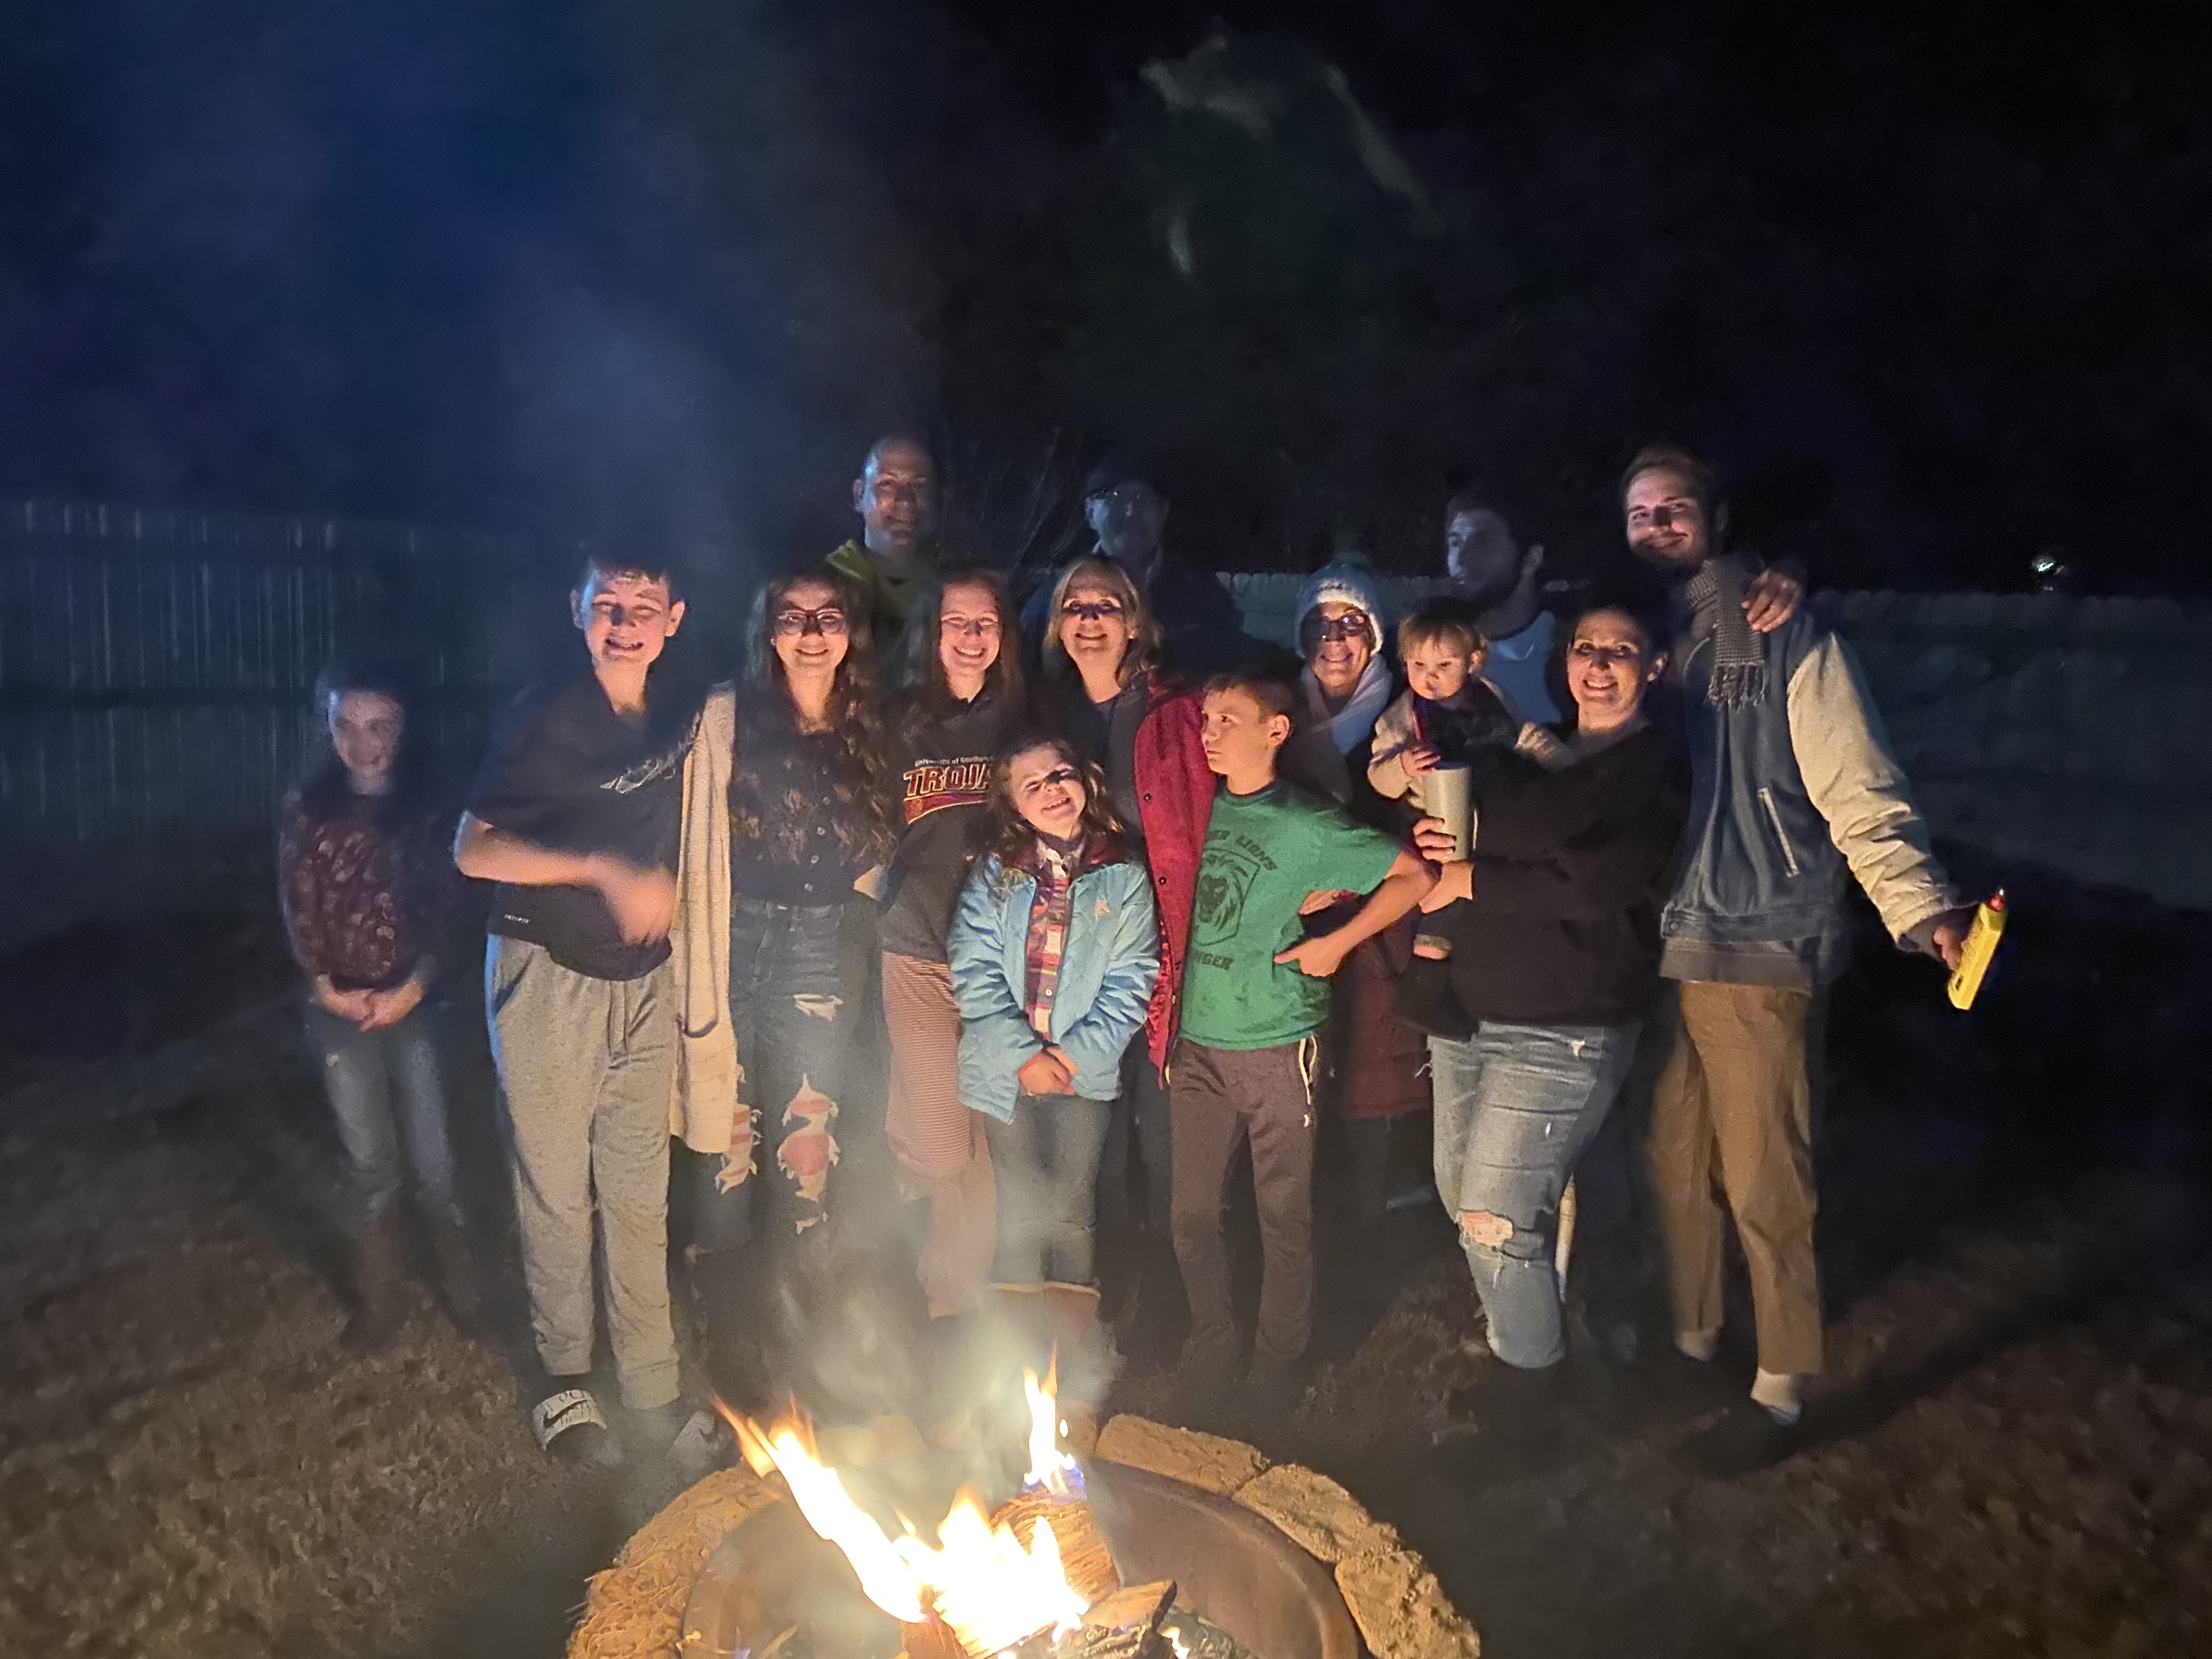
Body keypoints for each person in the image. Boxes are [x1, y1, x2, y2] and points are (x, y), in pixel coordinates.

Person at [1619, 443, 1975, 1449]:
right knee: (1671, 1152)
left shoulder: (1786, 636)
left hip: (1758, 930)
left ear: (1716, 520)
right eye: (1639, 514)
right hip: (1664, 938)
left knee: (1766, 1172)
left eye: (1673, 510)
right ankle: (1689, 1341)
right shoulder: (1637, 643)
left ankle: (1782, 1383)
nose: (1655, 529)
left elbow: (1856, 783)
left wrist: (1920, 905)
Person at [1408, 599, 1690, 1480]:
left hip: (1566, 1027)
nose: (1598, 664)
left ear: (1657, 666)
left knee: (1497, 1222)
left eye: (1621, 649)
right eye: (1585, 649)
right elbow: (1486, 835)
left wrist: (1472, 871)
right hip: (1473, 1013)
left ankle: (1536, 1410)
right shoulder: (1528, 753)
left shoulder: (1656, 767)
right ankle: (1520, 1358)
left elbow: (1592, 886)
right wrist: (1446, 844)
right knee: (1467, 1204)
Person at [456, 552, 700, 1466]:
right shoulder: (546, 716)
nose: (624, 622)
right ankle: (565, 1376)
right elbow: (474, 848)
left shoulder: (677, 708)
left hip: (643, 974)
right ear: (577, 610)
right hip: (548, 964)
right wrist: (599, 867)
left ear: (674, 616)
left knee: (638, 1188)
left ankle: (653, 1381)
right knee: (558, 1184)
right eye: (607, 604)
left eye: (643, 605)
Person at [1171, 670, 1436, 1408]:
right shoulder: (1201, 810)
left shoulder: (1304, 823)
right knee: (1191, 1216)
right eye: (1207, 718)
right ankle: (1212, 1345)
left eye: (1230, 717)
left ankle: (1275, 1367)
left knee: (1282, 1214)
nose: (1211, 733)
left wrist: (1337, 944)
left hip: (1276, 1041)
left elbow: (1412, 876)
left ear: (1276, 730)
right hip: (1199, 1043)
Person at [686, 568, 899, 1397]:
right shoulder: (725, 718)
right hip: (733, 942)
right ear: (767, 632)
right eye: (793, 618)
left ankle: (806, 1342)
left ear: (851, 632)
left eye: (829, 617)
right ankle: (737, 1353)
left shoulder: (873, 727)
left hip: (819, 948)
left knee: (808, 1151)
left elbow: (891, 841)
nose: (813, 632)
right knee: (724, 1152)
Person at [279, 661, 476, 1348]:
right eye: (347, 725)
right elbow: (299, 903)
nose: (363, 743)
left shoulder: (428, 809)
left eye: (379, 726)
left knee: (435, 1163)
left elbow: (447, 907)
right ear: (327, 729)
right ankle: (379, 1303)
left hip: (414, 1001)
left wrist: (412, 988)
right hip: (338, 1009)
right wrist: (326, 986)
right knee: (369, 1164)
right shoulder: (310, 810)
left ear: (403, 728)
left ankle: (467, 1295)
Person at [1039, 556, 1215, 1312]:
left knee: (1167, 1138)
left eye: (1104, 606)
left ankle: (1179, 1299)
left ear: (1135, 621)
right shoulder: (1049, 718)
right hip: (1081, 955)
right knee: (1096, 1144)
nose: (1088, 620)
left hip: (1169, 949)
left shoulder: (1177, 713)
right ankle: (1106, 1297)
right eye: (1073, 606)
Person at [948, 737, 1159, 1297]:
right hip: (1006, 1073)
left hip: (1079, 1078)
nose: (1051, 791)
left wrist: (1069, 1058)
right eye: (1032, 785)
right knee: (1017, 1207)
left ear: (1086, 781)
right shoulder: (997, 874)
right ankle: (1017, 1353)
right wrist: (1023, 1057)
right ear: (1013, 804)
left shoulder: (1123, 875)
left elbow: (1131, 981)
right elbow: (973, 970)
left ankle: (1069, 1352)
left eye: (1060, 774)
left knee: (1070, 1208)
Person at [879, 571, 1025, 1322]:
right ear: (931, 634)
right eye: (955, 623)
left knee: (974, 1136)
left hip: (998, 959)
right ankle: (893, 1159)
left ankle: (951, 1301)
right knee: (942, 1145)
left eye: (985, 623)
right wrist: (886, 892)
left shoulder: (1020, 720)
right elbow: (865, 825)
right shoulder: (898, 721)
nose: (970, 638)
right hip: (916, 949)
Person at [1278, 560, 1430, 1226]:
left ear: (1373, 635)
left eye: (1350, 624)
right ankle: (1307, 1205)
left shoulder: (1401, 716)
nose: (1334, 639)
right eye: (1319, 623)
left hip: (1383, 919)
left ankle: (1372, 1215)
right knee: (1306, 1062)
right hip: (1298, 918)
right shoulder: (1280, 712)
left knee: (1376, 1059)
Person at [1439, 487, 1805, 724]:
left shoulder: (1588, 642)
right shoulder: (1418, 648)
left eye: (1483, 541)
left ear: (1532, 558)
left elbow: (1696, 591)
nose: (1463, 557)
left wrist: (1790, 568)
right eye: (1455, 542)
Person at [1020, 455, 1248, 678]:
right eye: (1115, 498)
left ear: (1163, 512)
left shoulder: (1203, 598)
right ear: (1090, 513)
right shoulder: (1050, 602)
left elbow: (1231, 680)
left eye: (1142, 498)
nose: (1130, 512)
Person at [1367, 601, 1570, 815]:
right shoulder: (1400, 719)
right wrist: (1403, 767)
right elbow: (1380, 779)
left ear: (1472, 662)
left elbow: (1529, 736)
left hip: (1505, 802)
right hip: (1445, 817)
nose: (1430, 675)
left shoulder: (1491, 696)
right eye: (1419, 665)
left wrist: (1570, 768)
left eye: (1444, 665)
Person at [828, 436, 940, 639]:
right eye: (887, 484)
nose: (905, 501)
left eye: (919, 486)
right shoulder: (826, 589)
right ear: (859, 495)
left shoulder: (954, 592)